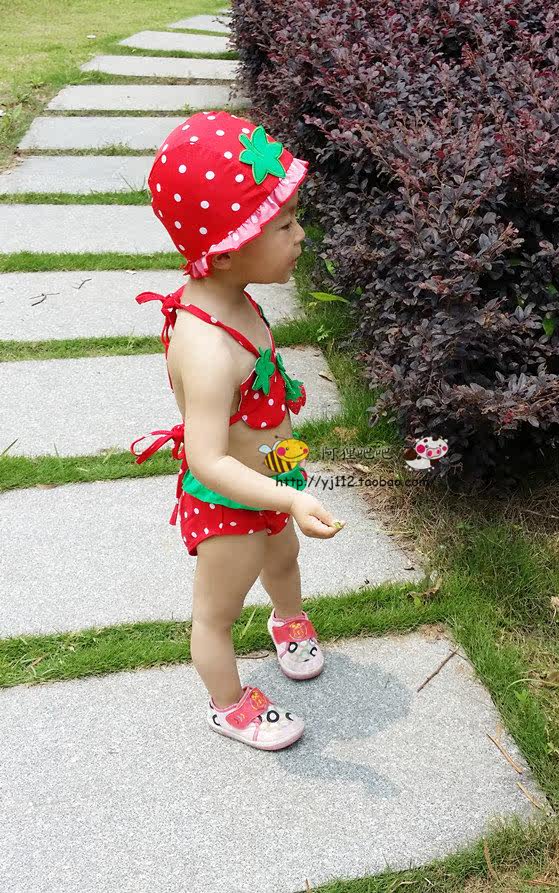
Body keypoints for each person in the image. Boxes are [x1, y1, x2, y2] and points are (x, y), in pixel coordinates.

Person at [129, 110, 345, 752]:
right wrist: (288, 498)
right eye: (284, 224)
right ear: (227, 248)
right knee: (216, 613)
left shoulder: (236, 296)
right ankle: (229, 705)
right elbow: (207, 460)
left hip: (273, 478)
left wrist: (287, 474)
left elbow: (258, 408)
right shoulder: (206, 348)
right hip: (230, 503)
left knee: (284, 558)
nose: (300, 235)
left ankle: (288, 619)